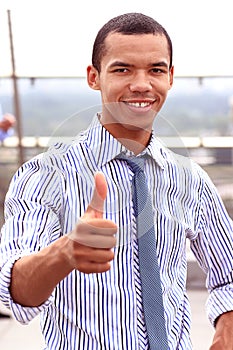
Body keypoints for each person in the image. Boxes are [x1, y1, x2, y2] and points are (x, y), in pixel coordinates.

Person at [0, 12, 232, 349]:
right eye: (122, 69)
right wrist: (64, 254)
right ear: (94, 77)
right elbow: (13, 290)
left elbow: (228, 276)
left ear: (170, 77)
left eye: (155, 69)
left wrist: (225, 336)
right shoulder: (45, 174)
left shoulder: (190, 179)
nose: (141, 84)